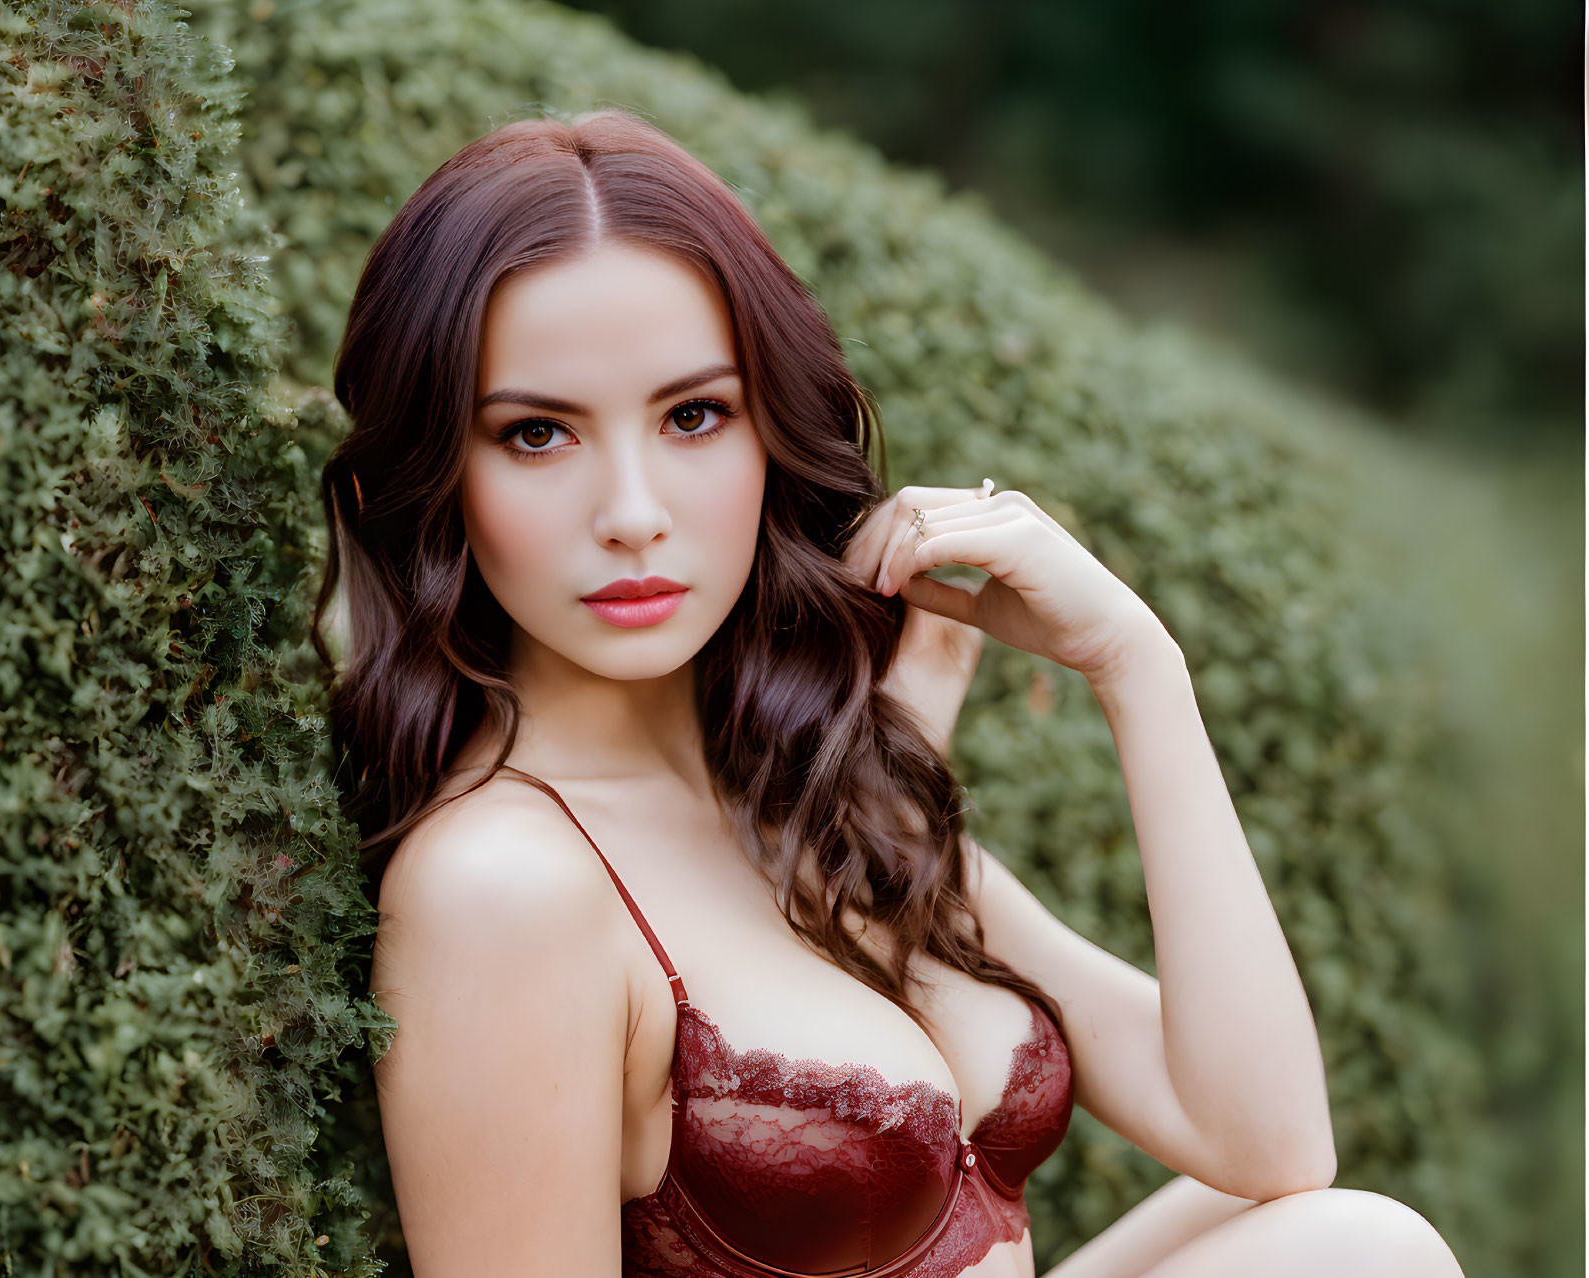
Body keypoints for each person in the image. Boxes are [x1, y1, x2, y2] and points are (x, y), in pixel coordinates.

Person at [313, 108, 1466, 1278]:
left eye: (693, 416)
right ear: (435, 474)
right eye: (538, 433)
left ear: (770, 434)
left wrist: (1136, 666)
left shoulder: (819, 792)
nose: (631, 511)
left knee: (1358, 1249)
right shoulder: (501, 887)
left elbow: (1266, 1144)